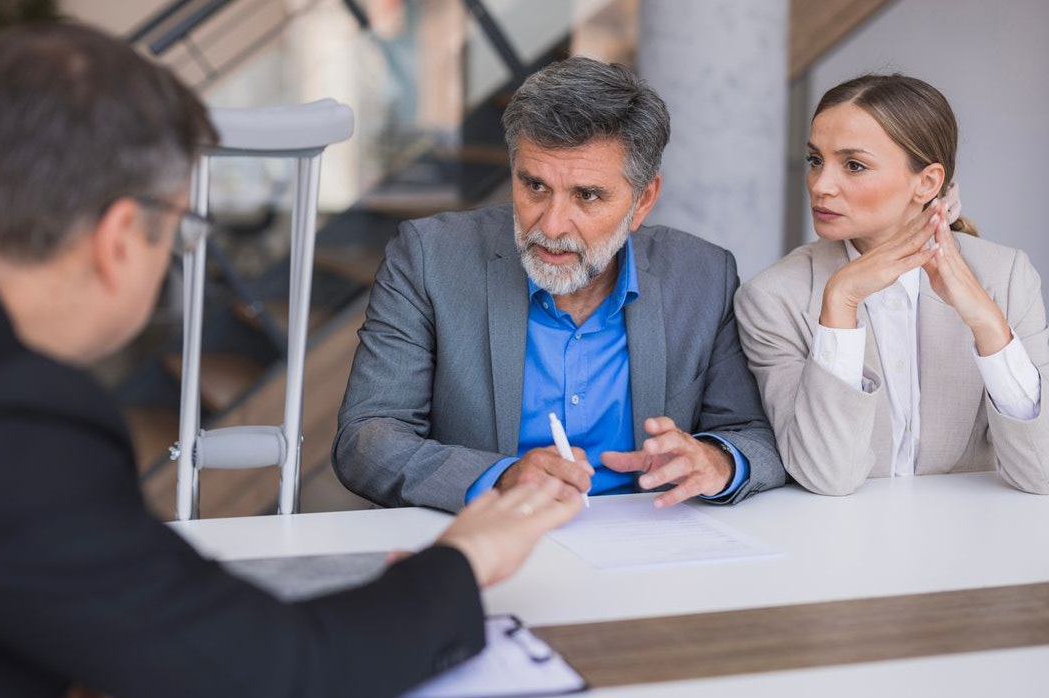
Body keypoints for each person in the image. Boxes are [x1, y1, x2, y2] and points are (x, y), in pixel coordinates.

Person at [0, 23, 582, 698]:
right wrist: (462, 560)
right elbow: (272, 676)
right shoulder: (0, 418)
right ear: (120, 238)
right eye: (181, 228)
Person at [334, 57, 784, 513]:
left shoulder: (703, 274)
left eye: (587, 195)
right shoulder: (429, 257)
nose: (550, 224)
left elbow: (754, 435)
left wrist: (716, 460)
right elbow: (366, 440)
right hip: (490, 542)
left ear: (644, 199)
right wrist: (500, 479)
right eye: (534, 185)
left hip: (648, 551)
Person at [734, 73, 1049, 496]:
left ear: (928, 182)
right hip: (837, 547)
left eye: (854, 165)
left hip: (983, 543)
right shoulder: (773, 298)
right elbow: (828, 476)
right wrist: (841, 302)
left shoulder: (1004, 277)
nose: (820, 185)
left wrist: (989, 326)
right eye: (815, 160)